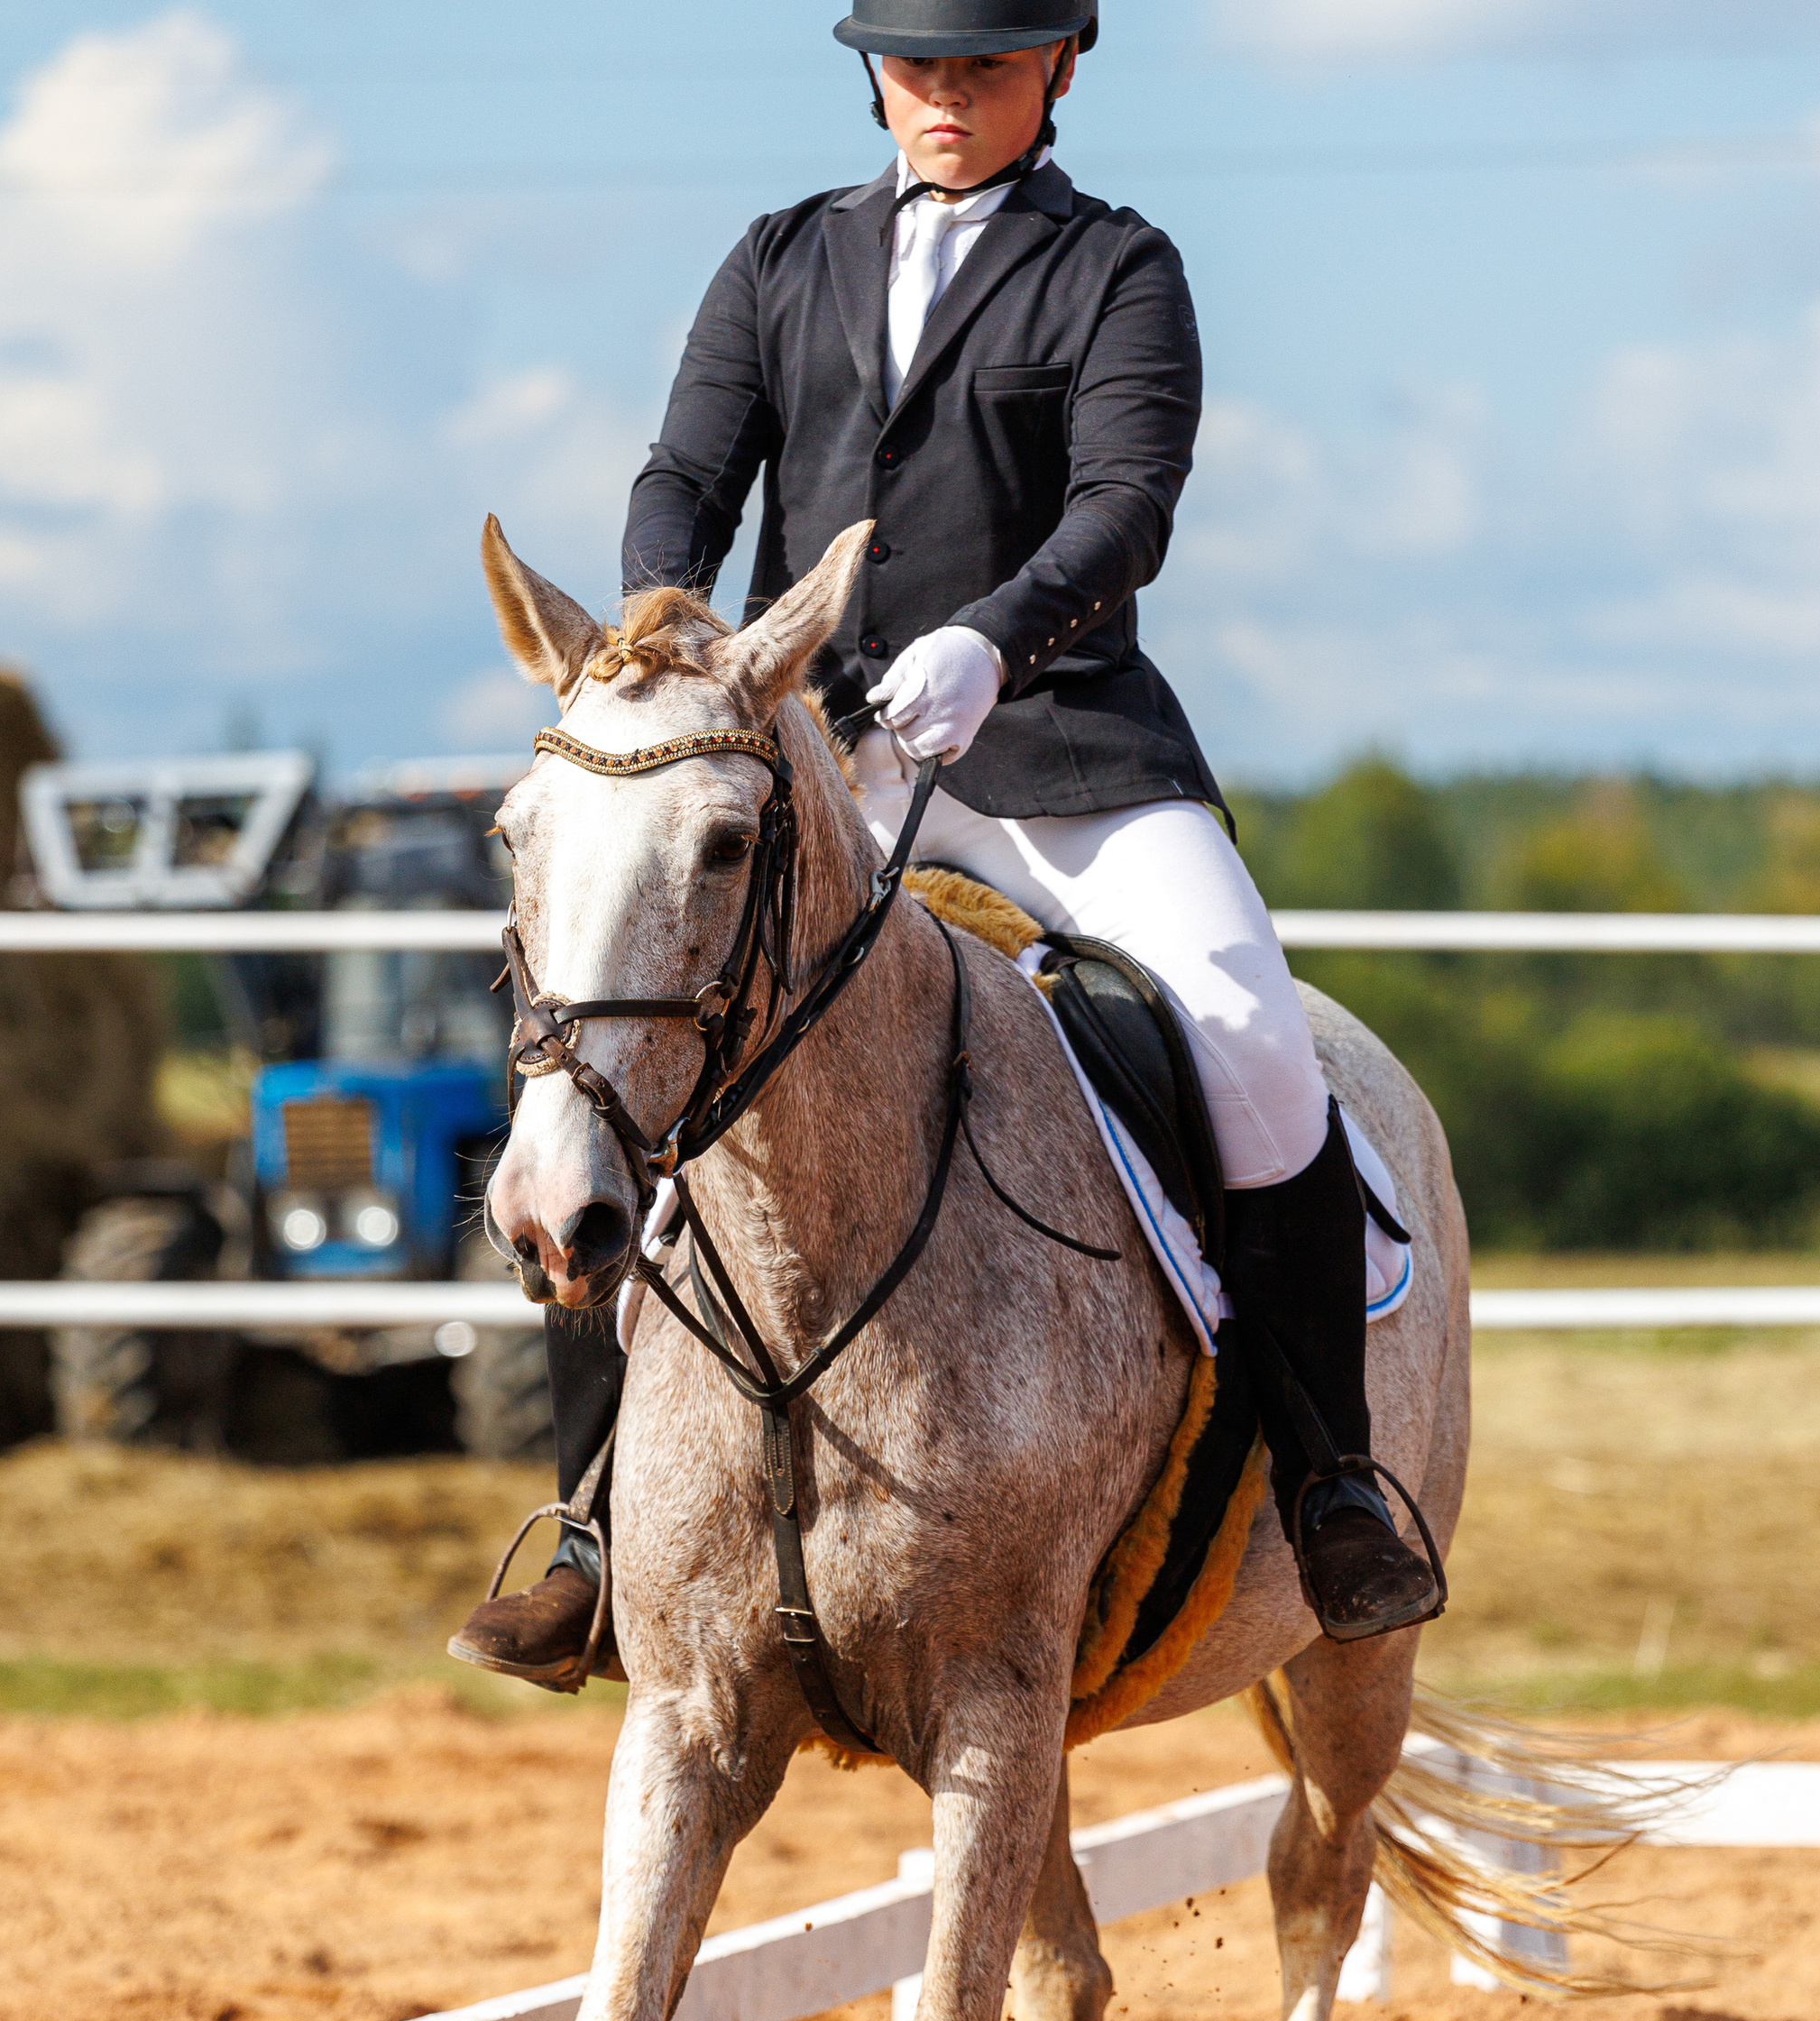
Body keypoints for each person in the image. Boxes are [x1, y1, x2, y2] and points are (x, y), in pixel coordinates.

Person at [448, 0, 1443, 1688]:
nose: (948, 96)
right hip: (813, 766)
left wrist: (994, 637)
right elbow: (688, 473)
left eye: (985, 66)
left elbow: (1123, 505)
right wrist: (669, 638)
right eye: (918, 67)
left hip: (1058, 751)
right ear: (873, 75)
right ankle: (595, 1535)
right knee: (631, 1058)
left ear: (1061, 66)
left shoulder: (1117, 267)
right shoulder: (783, 257)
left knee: (1254, 1040)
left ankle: (1331, 1486)